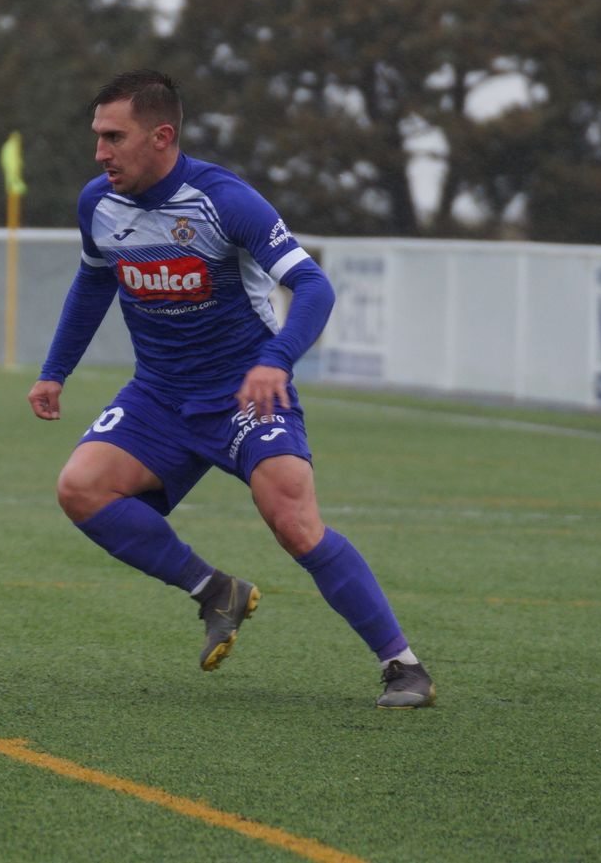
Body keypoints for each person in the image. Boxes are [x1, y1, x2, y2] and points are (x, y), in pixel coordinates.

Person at [26, 70, 434, 708]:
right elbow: (94, 282)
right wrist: (56, 371)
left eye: (114, 137)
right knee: (80, 488)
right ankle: (214, 590)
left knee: (294, 522)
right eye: (97, 137)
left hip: (245, 394)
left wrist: (275, 359)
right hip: (158, 397)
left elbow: (314, 287)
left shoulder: (225, 201)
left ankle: (403, 666)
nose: (100, 153)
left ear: (162, 136)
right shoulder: (98, 205)